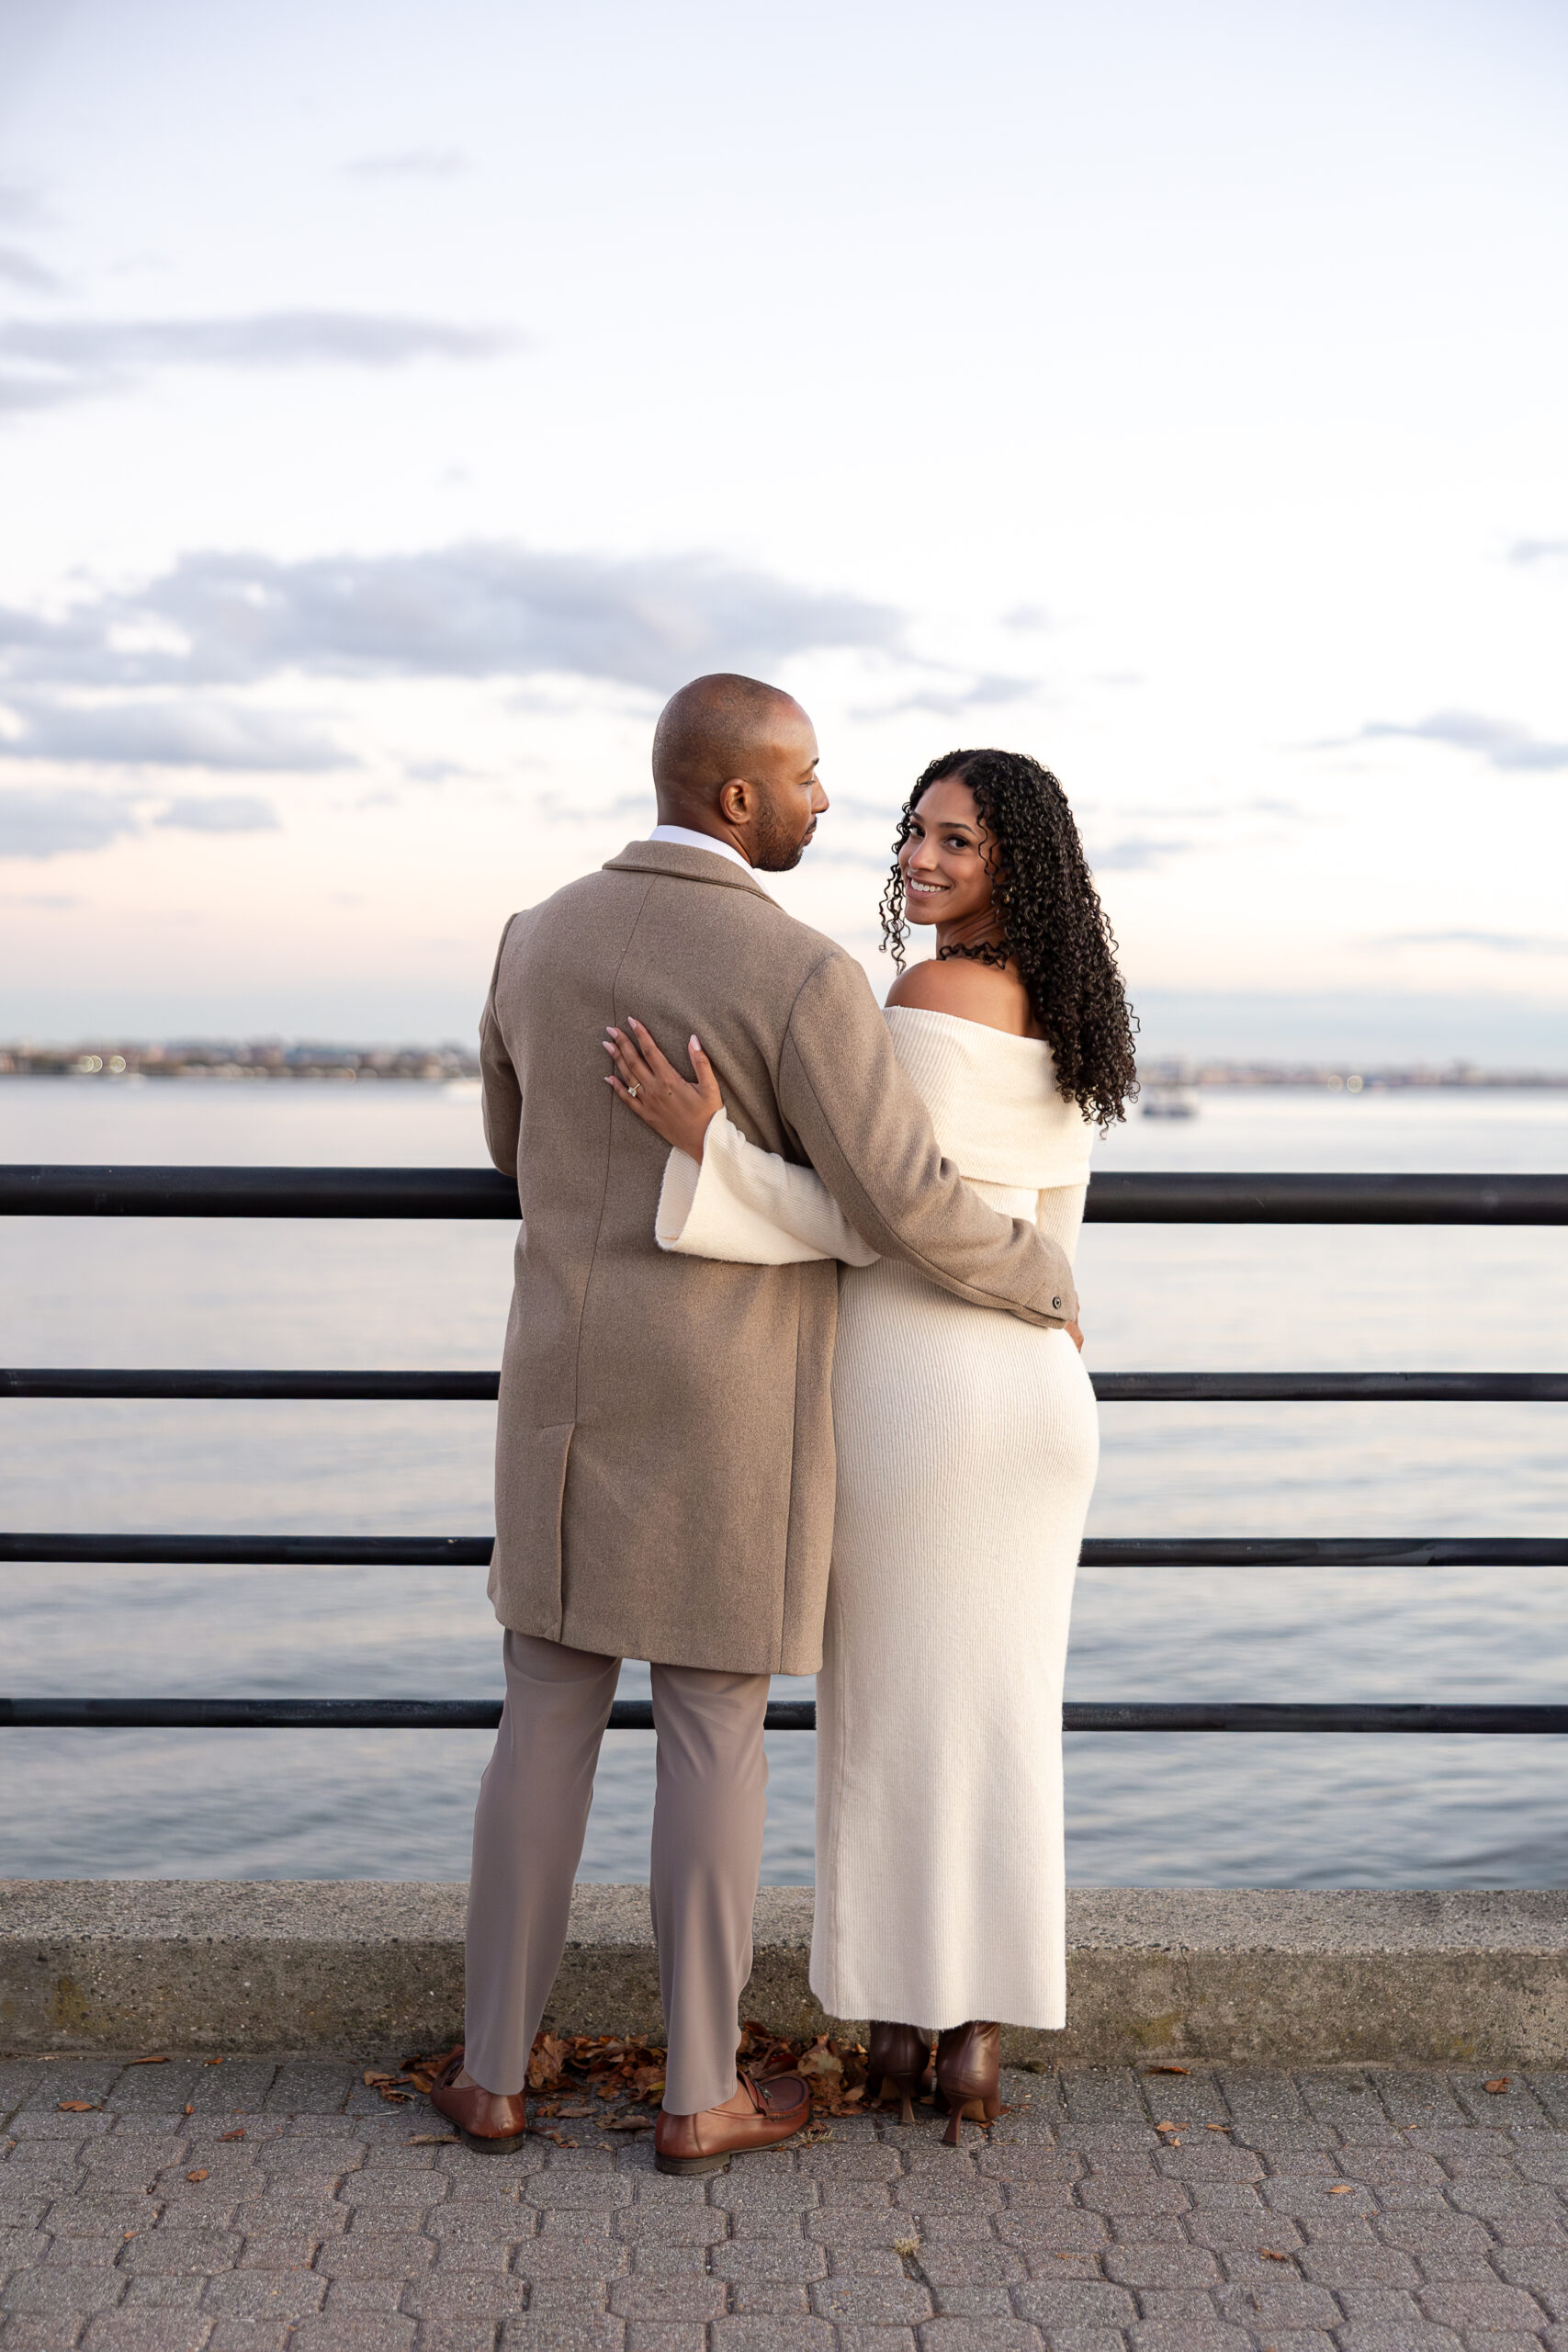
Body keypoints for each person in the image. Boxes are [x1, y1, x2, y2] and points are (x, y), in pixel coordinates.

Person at [433, 682, 1081, 2175]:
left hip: (561, 1386)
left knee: (542, 1721)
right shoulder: (801, 972)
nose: (827, 805)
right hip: (728, 1398)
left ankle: (490, 2077)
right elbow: (900, 1202)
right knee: (713, 1733)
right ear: (738, 798)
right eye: (807, 780)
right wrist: (1046, 1276)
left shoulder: (533, 936)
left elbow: (515, 1149)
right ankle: (698, 2094)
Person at [604, 747, 1136, 2143]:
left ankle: (900, 2032)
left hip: (916, 1391)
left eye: (957, 841)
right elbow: (1040, 1236)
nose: (920, 857)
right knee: (1004, 1719)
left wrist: (710, 1145)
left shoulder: (923, 998)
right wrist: (1047, 1298)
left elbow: (875, 1217)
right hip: (1039, 1396)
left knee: (892, 1720)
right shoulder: (1073, 1022)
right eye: (916, 831)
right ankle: (977, 2042)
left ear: (1014, 865)